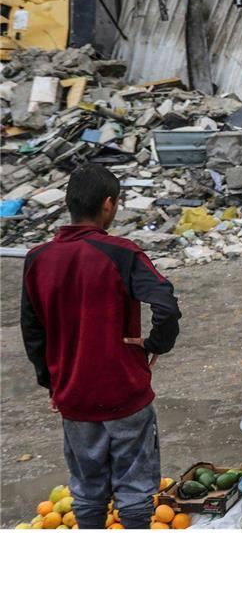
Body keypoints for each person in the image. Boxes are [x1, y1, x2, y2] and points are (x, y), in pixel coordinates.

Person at [21, 164, 181, 530]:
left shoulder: (37, 259)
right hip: (124, 391)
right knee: (135, 492)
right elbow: (166, 304)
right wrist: (156, 344)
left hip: (73, 395)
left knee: (87, 492)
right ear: (108, 204)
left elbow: (33, 333)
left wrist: (52, 382)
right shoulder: (122, 253)